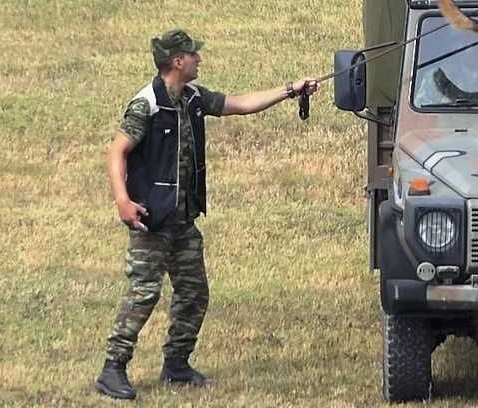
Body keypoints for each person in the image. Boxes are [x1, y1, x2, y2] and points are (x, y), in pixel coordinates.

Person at [94, 29, 318, 400]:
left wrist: (292, 89)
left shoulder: (193, 98)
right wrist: (122, 200)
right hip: (152, 218)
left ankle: (176, 365)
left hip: (183, 221)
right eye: (194, 55)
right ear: (177, 61)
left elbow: (242, 104)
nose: (200, 59)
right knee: (143, 294)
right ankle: (112, 368)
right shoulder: (146, 104)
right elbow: (117, 150)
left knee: (195, 294)